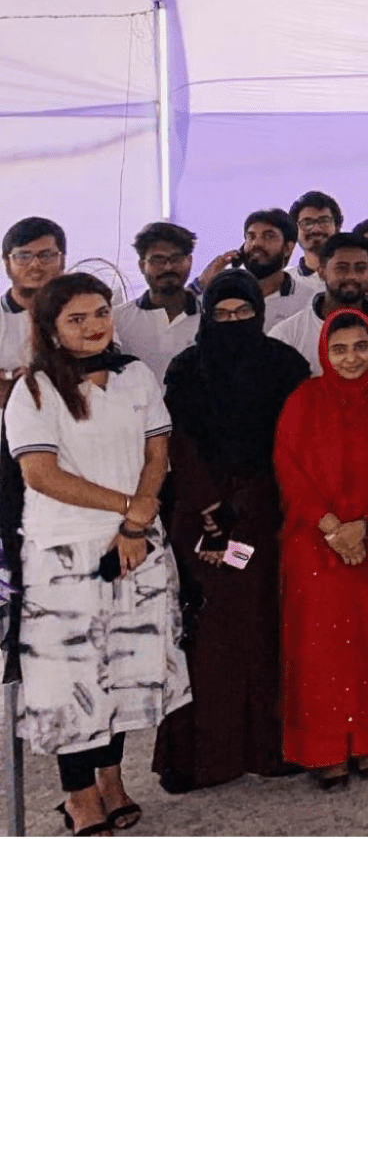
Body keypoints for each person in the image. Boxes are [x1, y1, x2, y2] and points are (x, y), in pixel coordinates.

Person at [5, 273, 186, 833]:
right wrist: (130, 507)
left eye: (101, 312)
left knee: (125, 666)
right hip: (66, 552)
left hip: (136, 543)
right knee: (71, 675)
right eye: (76, 319)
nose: (93, 326)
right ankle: (78, 793)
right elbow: (41, 474)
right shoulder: (34, 389)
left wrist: (137, 520)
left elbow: (158, 452)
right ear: (51, 329)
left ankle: (112, 779)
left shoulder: (136, 375)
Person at [153, 270, 311, 792]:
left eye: (243, 312)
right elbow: (177, 440)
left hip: (264, 515)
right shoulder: (186, 367)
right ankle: (198, 759)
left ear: (259, 314)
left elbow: (292, 443)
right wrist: (211, 507)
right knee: (204, 634)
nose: (233, 321)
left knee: (264, 630)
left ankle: (269, 747)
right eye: (222, 314)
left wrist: (242, 506)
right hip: (198, 517)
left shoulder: (285, 365)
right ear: (206, 316)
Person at [272, 310, 368, 788]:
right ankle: (325, 749)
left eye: (360, 347)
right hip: (314, 542)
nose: (351, 358)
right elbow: (288, 468)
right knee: (321, 649)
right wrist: (332, 527)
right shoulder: (303, 400)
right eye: (339, 350)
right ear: (323, 353)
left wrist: (364, 525)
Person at [268, 232, 368, 381]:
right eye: (341, 268)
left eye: (360, 268)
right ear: (322, 272)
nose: (352, 276)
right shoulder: (286, 335)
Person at [113, 221, 200, 381]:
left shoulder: (210, 317)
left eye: (176, 258)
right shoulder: (118, 320)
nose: (168, 267)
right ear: (142, 265)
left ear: (189, 261)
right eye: (157, 260)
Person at [1, 216, 66, 375]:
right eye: (23, 256)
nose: (35, 264)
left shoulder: (84, 315)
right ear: (7, 264)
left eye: (45, 255)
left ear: (62, 261)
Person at [289, 190, 342, 282]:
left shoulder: (356, 279)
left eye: (324, 221)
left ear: (337, 227)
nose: (316, 230)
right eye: (307, 223)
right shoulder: (284, 282)